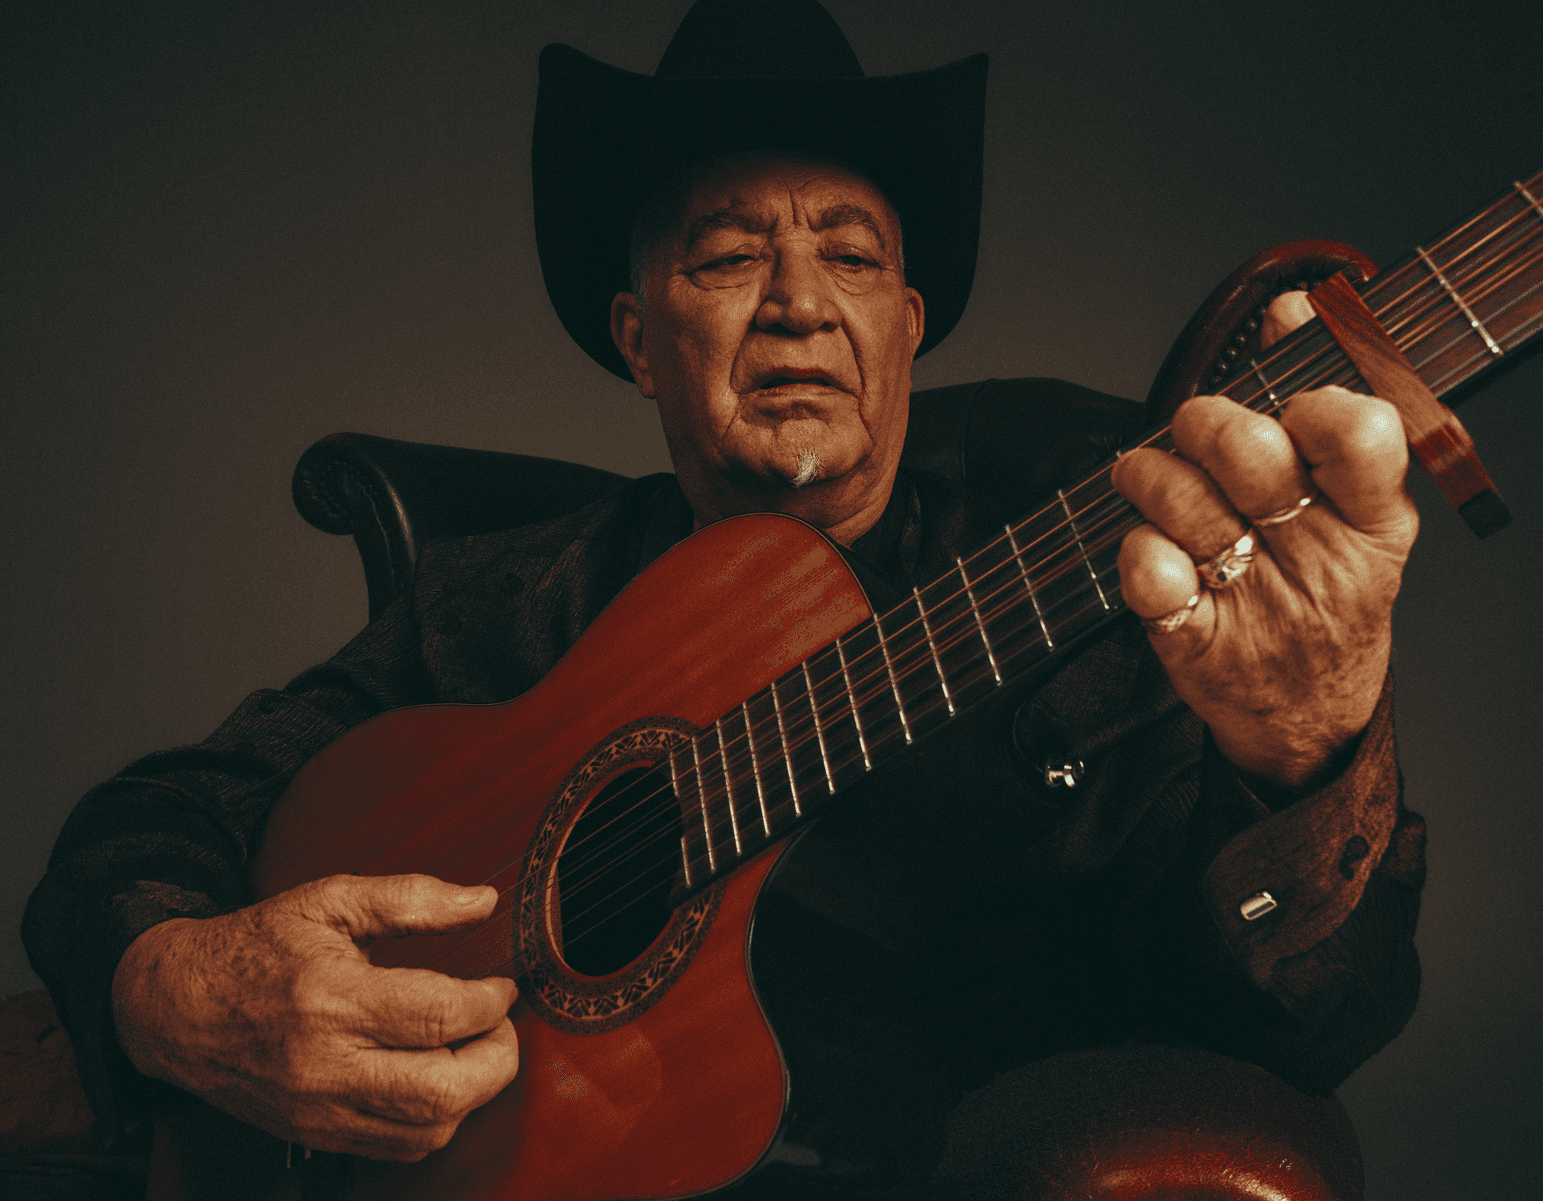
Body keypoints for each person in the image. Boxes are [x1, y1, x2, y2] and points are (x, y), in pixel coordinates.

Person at [23, 0, 1424, 1194]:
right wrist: (175, 987)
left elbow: (1302, 1026)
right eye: (728, 254)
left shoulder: (1089, 561)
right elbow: (166, 816)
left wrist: (1308, 751)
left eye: (854, 256)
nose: (800, 300)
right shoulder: (509, 598)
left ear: (906, 328)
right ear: (642, 341)